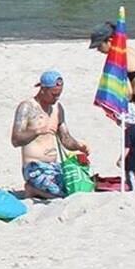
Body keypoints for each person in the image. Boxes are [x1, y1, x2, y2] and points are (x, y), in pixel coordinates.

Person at [12, 70, 90, 199]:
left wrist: (79, 146)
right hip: (34, 166)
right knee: (58, 194)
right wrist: (37, 131)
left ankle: (39, 190)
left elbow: (65, 139)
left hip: (54, 166)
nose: (56, 98)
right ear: (43, 90)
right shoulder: (27, 107)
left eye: (59, 94)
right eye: (53, 94)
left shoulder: (57, 109)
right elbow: (15, 140)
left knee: (75, 188)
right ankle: (32, 189)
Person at [91, 22, 135, 139]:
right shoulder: (130, 50)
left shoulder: (118, 56)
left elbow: (128, 91)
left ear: (110, 41)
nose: (98, 50)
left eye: (99, 45)